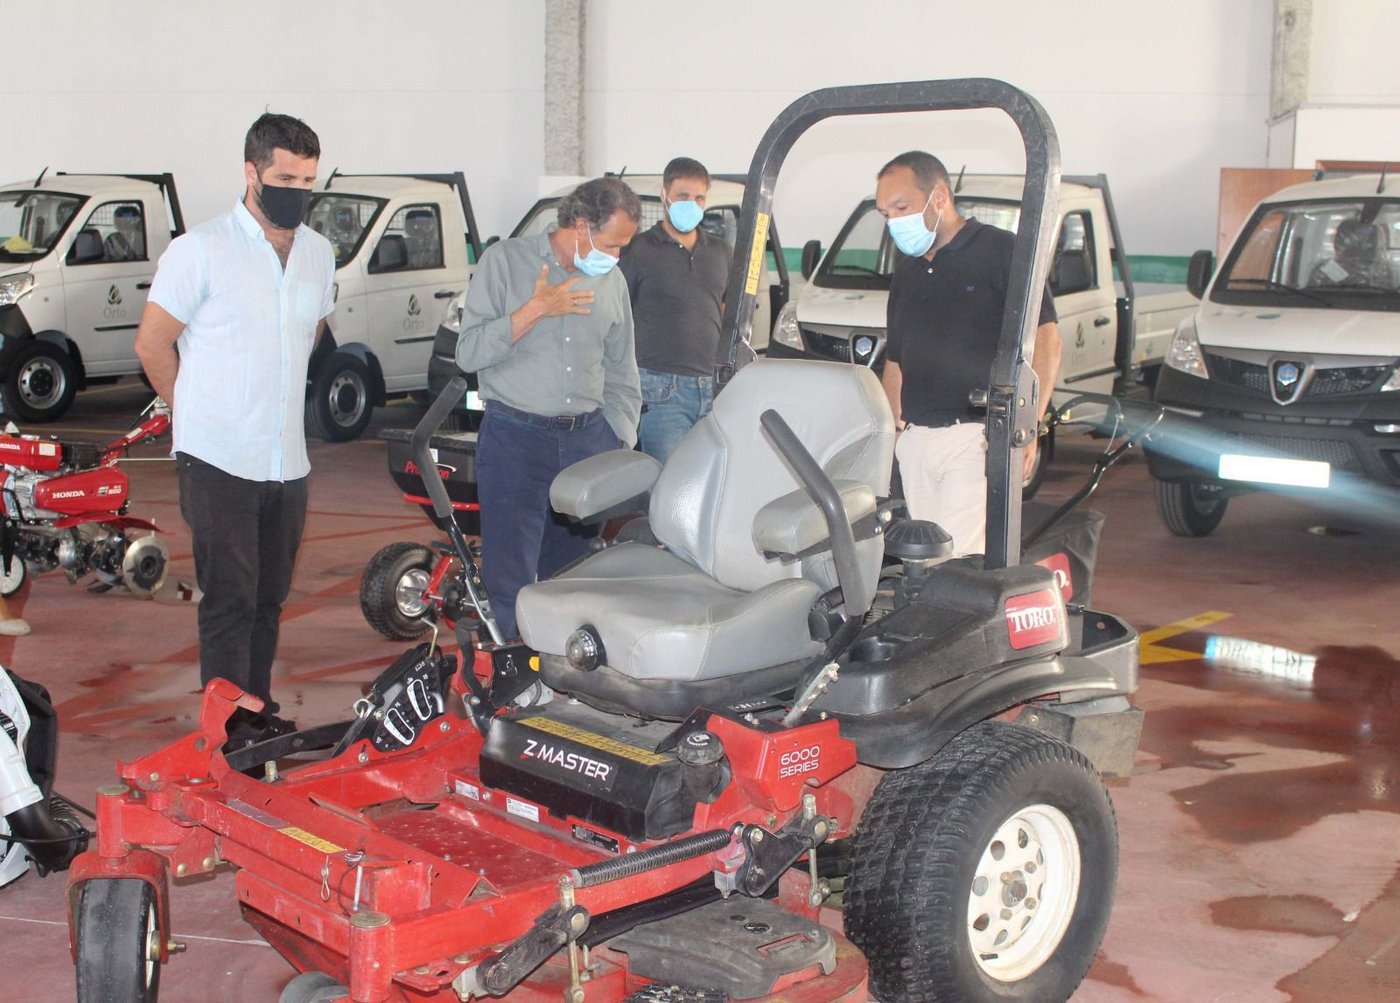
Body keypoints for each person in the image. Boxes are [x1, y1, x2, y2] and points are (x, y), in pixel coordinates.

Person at [134, 112, 336, 748]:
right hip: (219, 457)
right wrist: (195, 410)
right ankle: (225, 732)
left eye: (307, 180)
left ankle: (256, 714)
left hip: (287, 460)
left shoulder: (318, 253)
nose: (297, 192)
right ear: (251, 173)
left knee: (270, 598)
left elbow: (313, 330)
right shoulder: (201, 250)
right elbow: (152, 343)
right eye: (284, 177)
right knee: (230, 601)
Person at [455, 177, 642, 640]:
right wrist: (535, 309)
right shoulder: (504, 263)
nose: (616, 257)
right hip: (515, 440)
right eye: (612, 244)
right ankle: (511, 688)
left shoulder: (611, 281)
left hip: (588, 443)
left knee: (574, 577)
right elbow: (469, 354)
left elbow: (623, 369)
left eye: (623, 247)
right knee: (510, 581)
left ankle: (564, 681)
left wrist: (617, 440)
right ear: (580, 225)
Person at [875, 150, 1061, 556]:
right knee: (923, 561)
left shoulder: (1002, 252)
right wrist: (896, 433)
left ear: (939, 197)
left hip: (975, 438)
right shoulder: (907, 271)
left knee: (959, 560)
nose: (894, 221)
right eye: (885, 213)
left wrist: (1026, 426)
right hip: (918, 440)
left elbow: (1047, 341)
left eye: (901, 207)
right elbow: (896, 359)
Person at [618, 157, 728, 462]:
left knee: (707, 481)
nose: (691, 204)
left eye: (699, 198)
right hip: (660, 390)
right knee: (668, 484)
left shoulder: (720, 251)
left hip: (712, 388)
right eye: (683, 196)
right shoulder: (637, 250)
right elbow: (618, 313)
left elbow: (723, 307)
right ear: (665, 194)